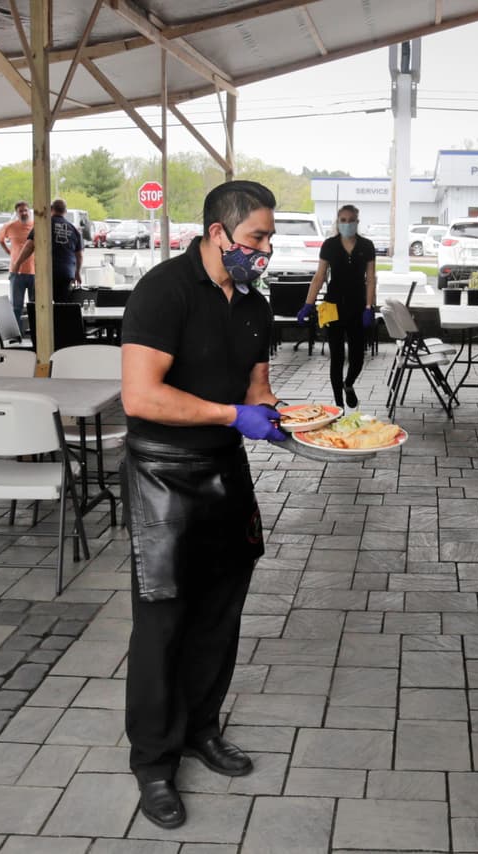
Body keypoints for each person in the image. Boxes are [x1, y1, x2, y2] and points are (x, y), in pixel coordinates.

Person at [119, 180, 286, 831]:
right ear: (220, 233)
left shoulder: (254, 303)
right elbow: (140, 395)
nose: (265, 250)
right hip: (163, 477)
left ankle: (201, 730)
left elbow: (257, 383)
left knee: (221, 614)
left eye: (268, 238)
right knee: (163, 624)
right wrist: (230, 414)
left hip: (225, 472)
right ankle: (154, 762)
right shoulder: (163, 290)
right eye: (257, 238)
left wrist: (273, 413)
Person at [297, 204, 377, 409]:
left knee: (357, 357)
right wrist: (308, 304)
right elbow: (319, 276)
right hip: (332, 306)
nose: (347, 223)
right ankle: (339, 406)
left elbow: (371, 278)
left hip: (358, 306)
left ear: (357, 222)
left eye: (351, 220)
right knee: (337, 357)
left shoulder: (367, 246)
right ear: (337, 222)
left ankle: (348, 384)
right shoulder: (329, 245)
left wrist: (369, 307)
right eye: (343, 219)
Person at [15, 198, 82, 303]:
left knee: (37, 306)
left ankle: (37, 319)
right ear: (65, 211)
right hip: (66, 274)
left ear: (51, 209)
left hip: (45, 273)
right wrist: (77, 273)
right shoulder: (73, 229)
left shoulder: (43, 225)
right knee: (62, 307)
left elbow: (29, 246)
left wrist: (18, 263)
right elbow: (79, 255)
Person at [0, 200, 35, 323]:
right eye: (21, 211)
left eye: (26, 210)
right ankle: (17, 335)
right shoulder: (10, 226)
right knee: (16, 307)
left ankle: (35, 334)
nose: (24, 213)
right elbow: (0, 239)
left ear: (29, 211)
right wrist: (8, 251)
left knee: (35, 306)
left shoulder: (36, 225)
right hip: (16, 272)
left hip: (35, 272)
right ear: (16, 213)